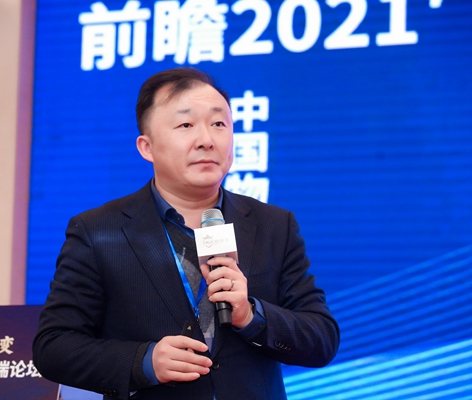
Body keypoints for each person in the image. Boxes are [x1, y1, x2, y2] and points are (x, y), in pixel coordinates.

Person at [32, 67, 339, 400]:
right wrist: (143, 362)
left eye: (219, 124)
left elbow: (321, 340)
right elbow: (54, 347)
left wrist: (251, 315)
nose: (207, 139)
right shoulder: (98, 231)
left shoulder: (274, 225)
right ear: (146, 147)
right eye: (186, 125)